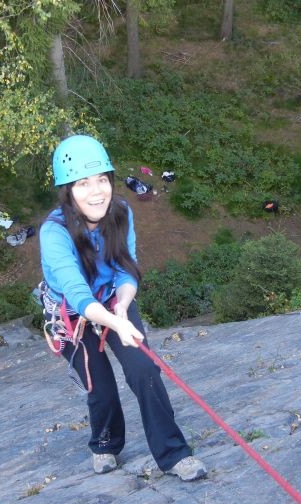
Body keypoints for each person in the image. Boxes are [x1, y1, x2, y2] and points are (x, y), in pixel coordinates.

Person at [39, 134, 207, 482]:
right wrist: (113, 322)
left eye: (102, 179)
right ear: (68, 191)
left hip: (114, 300)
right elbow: (78, 294)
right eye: (83, 183)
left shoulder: (121, 212)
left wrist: (122, 309)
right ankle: (105, 443)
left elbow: (126, 269)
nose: (96, 190)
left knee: (144, 369)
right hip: (73, 314)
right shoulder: (53, 233)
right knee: (98, 385)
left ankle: (173, 453)